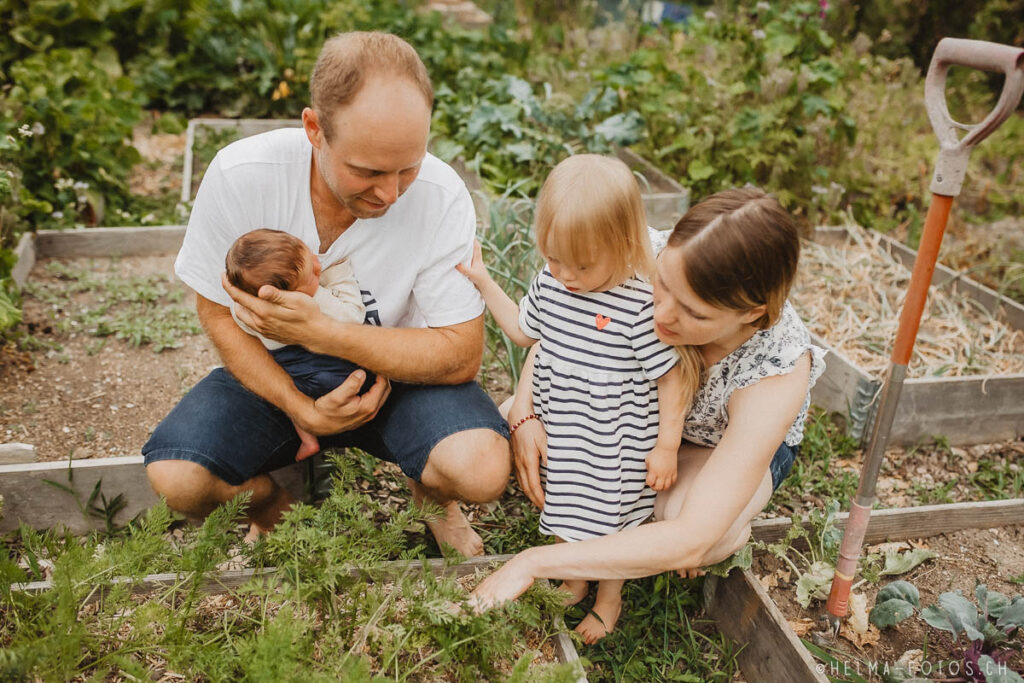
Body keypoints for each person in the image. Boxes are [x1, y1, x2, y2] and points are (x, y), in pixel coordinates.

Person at [142, 31, 511, 555]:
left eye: (408, 166)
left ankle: (431, 496)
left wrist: (326, 333)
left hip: (396, 375)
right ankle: (270, 504)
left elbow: (460, 354)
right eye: (368, 171)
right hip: (280, 370)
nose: (390, 193)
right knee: (179, 479)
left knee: (480, 471)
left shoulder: (440, 194)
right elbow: (218, 312)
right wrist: (297, 404)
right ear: (314, 129)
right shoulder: (242, 175)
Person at [470, 187, 826, 608]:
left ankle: (732, 518)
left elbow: (689, 538)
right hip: (632, 413)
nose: (662, 315)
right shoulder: (638, 253)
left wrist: (531, 562)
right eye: (662, 287)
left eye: (693, 313)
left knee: (692, 530)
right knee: (509, 415)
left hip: (708, 446)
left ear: (751, 312)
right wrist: (525, 413)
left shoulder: (776, 369)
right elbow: (565, 325)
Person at [457, 154, 691, 643]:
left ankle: (609, 598)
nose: (565, 273)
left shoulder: (639, 302)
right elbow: (523, 331)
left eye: (581, 263)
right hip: (565, 428)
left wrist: (667, 445)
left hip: (617, 442)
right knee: (567, 501)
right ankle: (573, 577)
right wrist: (483, 282)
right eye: (553, 258)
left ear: (625, 245)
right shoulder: (553, 284)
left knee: (611, 520)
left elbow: (670, 378)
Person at [224, 227, 372, 462]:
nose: (317, 264)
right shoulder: (312, 305)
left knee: (291, 399)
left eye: (308, 254)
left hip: (290, 370)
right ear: (290, 296)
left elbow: (242, 323)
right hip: (330, 371)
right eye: (312, 276)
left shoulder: (250, 312)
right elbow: (353, 316)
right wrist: (338, 275)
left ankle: (307, 439)